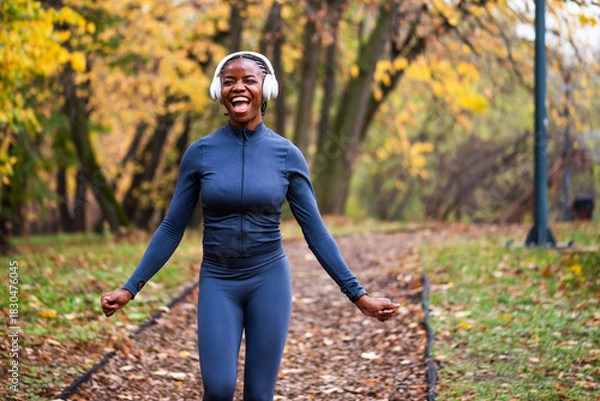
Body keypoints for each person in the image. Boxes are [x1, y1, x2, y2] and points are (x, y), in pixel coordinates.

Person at [101, 51, 399, 401]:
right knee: (218, 389)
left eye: (248, 80)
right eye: (229, 81)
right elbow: (171, 228)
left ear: (266, 89)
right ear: (219, 92)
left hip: (268, 279)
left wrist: (358, 296)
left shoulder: (287, 155)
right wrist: (130, 288)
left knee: (259, 395)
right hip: (218, 280)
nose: (238, 88)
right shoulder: (200, 153)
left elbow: (315, 231)